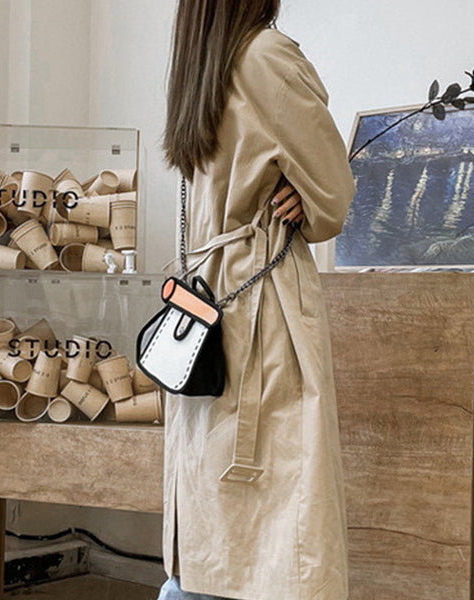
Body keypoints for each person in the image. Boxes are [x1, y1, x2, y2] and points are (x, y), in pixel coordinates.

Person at [157, 1, 356, 599]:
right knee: (278, 514)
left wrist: (296, 186)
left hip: (204, 303)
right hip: (261, 301)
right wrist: (304, 191)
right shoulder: (265, 55)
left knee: (211, 509)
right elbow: (332, 195)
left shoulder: (199, 66)